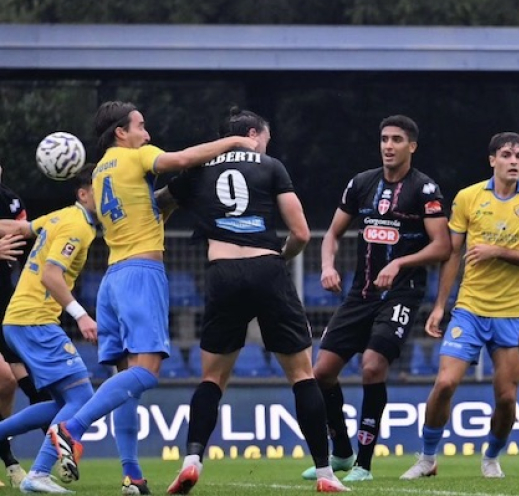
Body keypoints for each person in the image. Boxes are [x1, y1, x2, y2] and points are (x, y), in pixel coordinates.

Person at [44, 101, 260, 494]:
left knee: (127, 377)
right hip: (140, 276)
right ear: (121, 133)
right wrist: (231, 142)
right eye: (141, 126)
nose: (148, 133)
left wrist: (176, 197)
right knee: (146, 372)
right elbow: (179, 159)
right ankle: (70, 429)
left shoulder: (101, 175)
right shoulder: (137, 156)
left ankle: (132, 475)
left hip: (113, 278)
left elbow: (146, 211)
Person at [156, 108, 348, 494]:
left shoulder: (198, 170)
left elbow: (156, 204)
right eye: (266, 137)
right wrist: (279, 257)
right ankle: (325, 473)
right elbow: (301, 232)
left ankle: (192, 459)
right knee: (302, 375)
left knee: (212, 378)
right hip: (267, 269)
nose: (266, 145)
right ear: (252, 134)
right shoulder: (270, 166)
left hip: (222, 273)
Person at [300, 115, 450, 483]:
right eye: (384, 139)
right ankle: (342, 452)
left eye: (397, 139)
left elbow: (443, 246)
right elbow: (332, 233)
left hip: (401, 293)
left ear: (411, 146)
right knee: (321, 373)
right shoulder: (361, 183)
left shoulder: (425, 190)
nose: (388, 146)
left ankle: (364, 465)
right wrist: (327, 265)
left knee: (371, 365)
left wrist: (400, 261)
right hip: (360, 292)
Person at [400, 132, 519, 481]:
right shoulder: (469, 197)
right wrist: (441, 306)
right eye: (506, 155)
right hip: (469, 309)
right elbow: (453, 254)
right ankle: (427, 458)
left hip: (514, 313)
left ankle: (492, 458)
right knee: (444, 384)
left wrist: (497, 251)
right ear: (492, 160)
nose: (514, 161)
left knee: (505, 397)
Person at [0, 165, 99, 493]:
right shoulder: (78, 228)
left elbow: (20, 228)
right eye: (103, 189)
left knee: (61, 403)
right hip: (35, 319)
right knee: (82, 396)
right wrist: (81, 315)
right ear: (83, 194)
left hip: (21, 318)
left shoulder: (60, 217)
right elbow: (51, 276)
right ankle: (38, 474)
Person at [0, 162, 54, 487]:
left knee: (23, 383)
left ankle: (55, 454)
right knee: (5, 378)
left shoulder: (10, 199)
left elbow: (29, 235)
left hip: (6, 307)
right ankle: (9, 461)